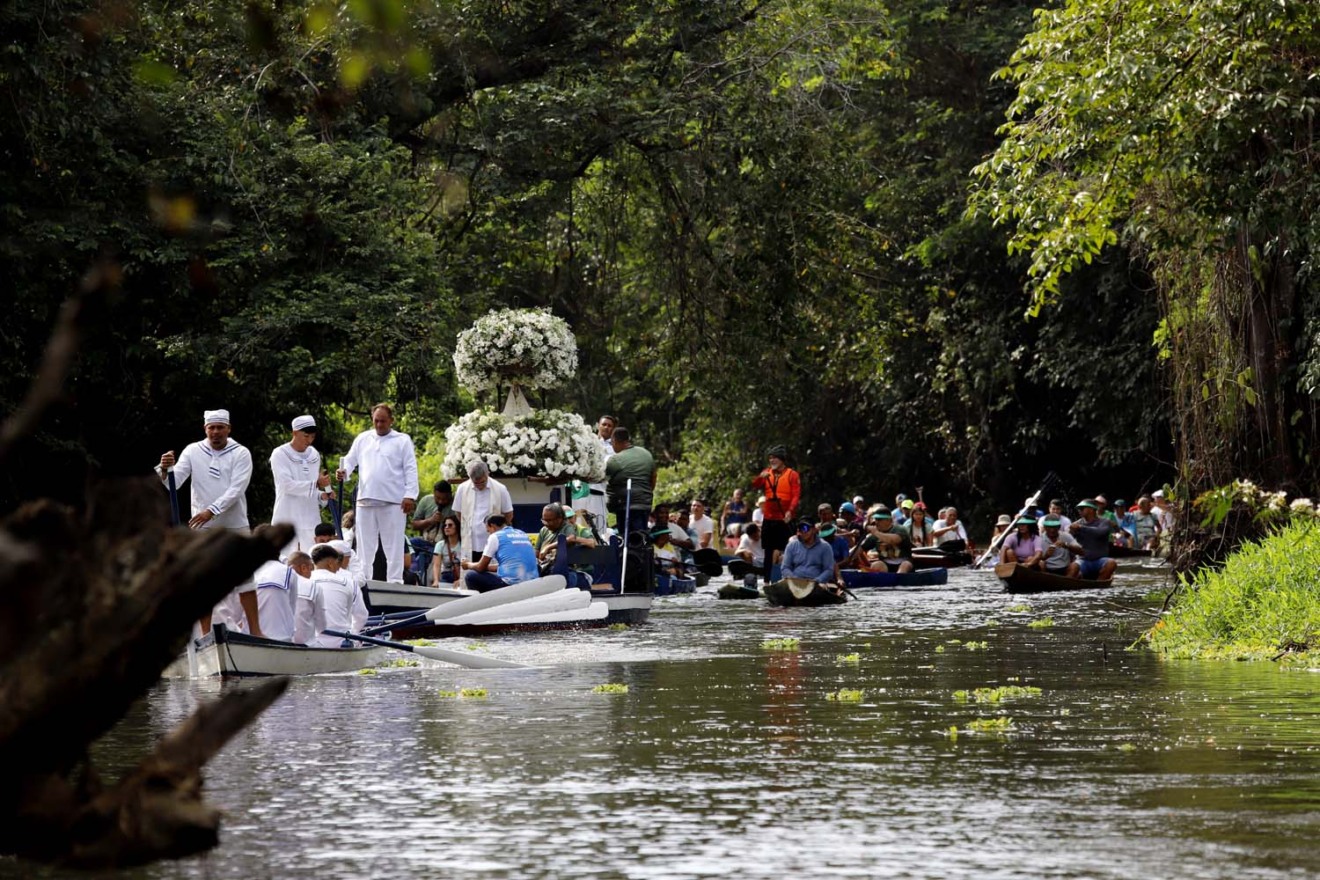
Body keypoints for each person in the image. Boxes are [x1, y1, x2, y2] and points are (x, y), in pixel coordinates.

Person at [156, 408, 261, 637]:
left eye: (220, 428)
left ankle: (256, 632)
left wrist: (211, 511)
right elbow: (174, 482)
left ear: (228, 429)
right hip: (202, 527)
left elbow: (237, 489)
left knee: (245, 579)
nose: (215, 432)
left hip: (235, 523)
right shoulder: (193, 450)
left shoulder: (241, 452)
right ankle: (205, 634)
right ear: (205, 429)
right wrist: (164, 470)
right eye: (211, 428)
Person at [336, 403, 419, 584]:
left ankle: (395, 582)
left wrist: (410, 495)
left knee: (394, 545)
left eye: (383, 421)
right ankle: (364, 581)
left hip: (393, 501)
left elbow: (411, 469)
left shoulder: (402, 440)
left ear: (391, 421)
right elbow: (350, 461)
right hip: (365, 500)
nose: (379, 425)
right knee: (365, 546)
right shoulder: (363, 438)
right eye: (376, 421)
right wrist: (344, 472)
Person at [270, 415, 330, 556]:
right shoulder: (280, 454)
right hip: (287, 515)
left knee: (312, 559)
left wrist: (322, 494)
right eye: (306, 436)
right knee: (284, 558)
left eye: (312, 437)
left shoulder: (314, 455)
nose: (309, 441)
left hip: (310, 517)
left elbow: (313, 489)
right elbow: (286, 485)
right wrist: (316, 484)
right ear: (295, 433)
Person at [751, 445, 800, 584]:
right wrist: (761, 477)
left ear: (782, 459)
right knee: (768, 551)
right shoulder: (766, 472)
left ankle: (789, 579)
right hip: (769, 518)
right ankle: (766, 581)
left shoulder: (792, 474)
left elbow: (796, 495)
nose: (772, 460)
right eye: (770, 458)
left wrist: (790, 511)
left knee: (788, 548)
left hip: (784, 518)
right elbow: (755, 485)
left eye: (775, 458)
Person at [305, 543, 368, 648]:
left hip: (310, 643)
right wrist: (354, 632)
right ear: (330, 563)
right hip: (341, 642)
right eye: (336, 563)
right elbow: (361, 616)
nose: (338, 569)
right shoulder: (350, 582)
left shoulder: (302, 582)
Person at [452, 459, 514, 561]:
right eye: (476, 483)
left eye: (483, 482)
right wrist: (467, 525)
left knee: (491, 573)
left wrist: (500, 530)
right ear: (470, 477)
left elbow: (509, 514)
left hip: (494, 539)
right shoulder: (462, 488)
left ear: (487, 474)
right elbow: (458, 512)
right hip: (470, 541)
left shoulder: (500, 488)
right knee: (470, 572)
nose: (480, 485)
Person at [463, 514, 538, 592]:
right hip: (532, 583)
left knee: (471, 575)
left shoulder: (495, 536)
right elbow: (509, 564)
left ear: (492, 526)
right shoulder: (522, 534)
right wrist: (486, 567)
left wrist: (468, 564)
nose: (489, 533)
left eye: (488, 531)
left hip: (510, 585)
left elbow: (480, 567)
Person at [604, 426, 656, 535]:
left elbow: (601, 478)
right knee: (641, 537)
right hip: (644, 504)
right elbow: (653, 478)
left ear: (614, 441)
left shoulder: (615, 460)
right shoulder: (646, 454)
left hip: (626, 506)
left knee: (628, 539)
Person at [536, 502, 596, 575]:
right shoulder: (545, 530)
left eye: (570, 517)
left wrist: (574, 539)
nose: (568, 520)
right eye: (566, 518)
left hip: (579, 570)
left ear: (575, 517)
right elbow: (537, 552)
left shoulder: (580, 530)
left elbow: (592, 543)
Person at [253, 552, 300, 642]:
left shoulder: (246, 571)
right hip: (282, 637)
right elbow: (292, 606)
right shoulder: (289, 572)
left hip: (248, 636)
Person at [1069, 499, 1120, 580]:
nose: (1079, 510)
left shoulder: (1104, 522)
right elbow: (1069, 540)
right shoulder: (1077, 524)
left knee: (1111, 563)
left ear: (1092, 510)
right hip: (1083, 561)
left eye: (1082, 508)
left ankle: (1099, 584)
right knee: (1073, 566)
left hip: (1099, 561)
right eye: (1079, 508)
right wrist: (1071, 531)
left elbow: (1099, 532)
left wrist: (1081, 528)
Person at [780, 520, 839, 586]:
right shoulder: (791, 545)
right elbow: (785, 568)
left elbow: (828, 570)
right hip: (794, 583)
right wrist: (795, 580)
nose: (803, 532)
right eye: (800, 529)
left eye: (805, 528)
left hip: (816, 584)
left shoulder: (825, 547)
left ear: (813, 530)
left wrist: (816, 581)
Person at [856, 509, 914, 573]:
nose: (876, 522)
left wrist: (876, 532)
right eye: (875, 519)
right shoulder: (875, 535)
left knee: (905, 565)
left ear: (889, 520)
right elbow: (859, 549)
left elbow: (894, 540)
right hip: (886, 564)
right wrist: (847, 558)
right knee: (876, 565)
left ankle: (898, 581)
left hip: (904, 562)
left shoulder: (900, 529)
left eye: (879, 519)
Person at [430, 513, 465, 585]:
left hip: (462, 575)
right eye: (445, 525)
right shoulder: (440, 544)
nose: (446, 527)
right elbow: (436, 565)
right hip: (446, 575)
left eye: (450, 525)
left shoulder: (464, 544)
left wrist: (461, 580)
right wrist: (436, 580)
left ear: (457, 527)